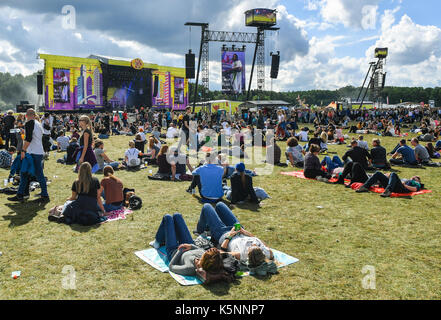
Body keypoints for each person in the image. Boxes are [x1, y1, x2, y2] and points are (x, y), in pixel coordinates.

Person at [149, 213, 225, 277]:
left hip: (174, 251)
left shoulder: (189, 268)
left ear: (205, 260)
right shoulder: (203, 255)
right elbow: (199, 249)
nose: (207, 251)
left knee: (168, 218)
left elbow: (171, 267)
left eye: (207, 252)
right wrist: (191, 246)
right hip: (189, 244)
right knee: (177, 215)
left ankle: (158, 241)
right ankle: (164, 239)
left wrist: (180, 250)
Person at [196, 202, 273, 264]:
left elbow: (222, 252)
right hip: (240, 230)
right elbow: (260, 241)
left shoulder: (241, 255)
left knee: (207, 207)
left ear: (248, 253)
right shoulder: (267, 252)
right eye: (256, 245)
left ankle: (200, 230)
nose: (254, 243)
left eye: (252, 246)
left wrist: (230, 236)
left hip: (223, 234)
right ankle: (209, 227)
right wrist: (246, 233)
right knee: (220, 205)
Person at [8, 109, 49, 203]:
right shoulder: (38, 123)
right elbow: (33, 137)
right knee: (25, 173)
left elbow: (29, 139)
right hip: (36, 151)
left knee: (37, 174)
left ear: (26, 116)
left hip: (33, 152)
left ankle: (44, 195)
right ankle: (21, 194)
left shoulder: (30, 123)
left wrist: (23, 150)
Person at [356, 172, 422, 197]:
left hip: (402, 188)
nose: (414, 177)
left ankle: (388, 191)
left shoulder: (417, 183)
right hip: (395, 185)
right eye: (413, 176)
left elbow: (415, 189)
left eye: (416, 177)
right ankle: (365, 187)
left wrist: (404, 185)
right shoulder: (405, 179)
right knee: (378, 173)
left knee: (393, 174)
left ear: (418, 180)